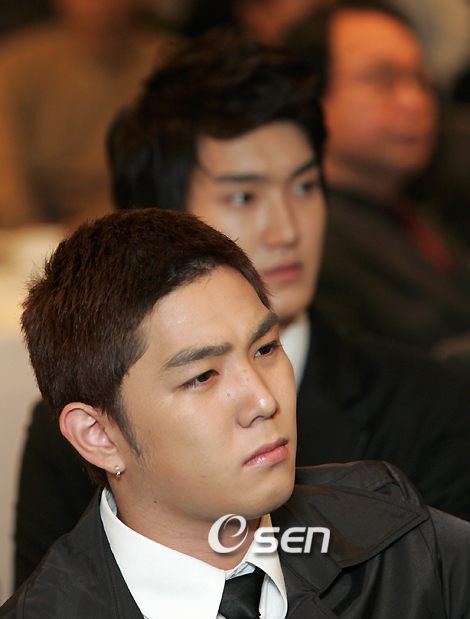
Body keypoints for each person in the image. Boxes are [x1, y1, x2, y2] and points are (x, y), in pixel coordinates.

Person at [14, 29, 470, 587]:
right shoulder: (88, 423)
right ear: (162, 220)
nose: (287, 229)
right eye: (244, 197)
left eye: (304, 187)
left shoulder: (429, 403)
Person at [3, 207, 470, 619]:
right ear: (99, 435)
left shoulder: (396, 541)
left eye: (266, 348)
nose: (264, 400)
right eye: (203, 377)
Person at [286, 1, 470, 355]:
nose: (415, 101)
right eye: (383, 80)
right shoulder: (302, 239)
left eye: (422, 80)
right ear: (310, 98)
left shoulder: (412, 212)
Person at [0, 0, 170, 227]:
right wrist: (31, 231)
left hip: (135, 227)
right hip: (35, 233)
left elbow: (168, 178)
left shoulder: (169, 63)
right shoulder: (16, 63)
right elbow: (7, 178)